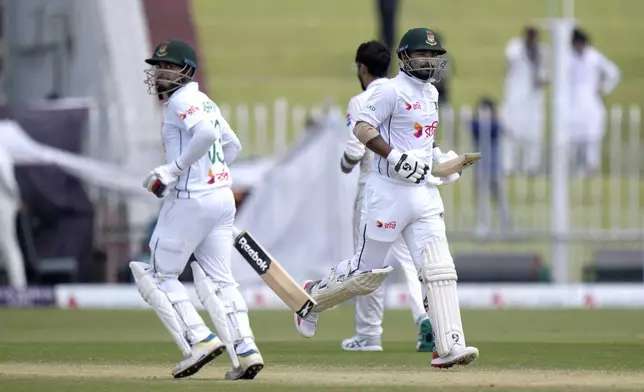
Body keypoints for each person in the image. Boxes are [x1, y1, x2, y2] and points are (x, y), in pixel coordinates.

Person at [295, 28, 479, 368]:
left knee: (438, 268)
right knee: (367, 274)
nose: (430, 62)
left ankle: (450, 345)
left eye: (434, 57)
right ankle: (311, 299)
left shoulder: (431, 94)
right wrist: (394, 157)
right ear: (405, 58)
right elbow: (363, 129)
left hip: (423, 194)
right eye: (423, 56)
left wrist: (442, 163)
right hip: (387, 193)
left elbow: (422, 144)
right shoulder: (390, 91)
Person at [133, 39, 263, 380]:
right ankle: (246, 349)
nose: (160, 72)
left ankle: (201, 338)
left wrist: (174, 170)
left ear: (186, 71)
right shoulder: (205, 101)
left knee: (160, 276)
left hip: (192, 200)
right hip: (221, 198)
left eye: (168, 66)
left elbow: (205, 134)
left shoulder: (182, 100)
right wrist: (208, 174)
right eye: (158, 66)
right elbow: (231, 145)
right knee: (222, 281)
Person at [340, 40, 434, 353]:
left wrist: (345, 162)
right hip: (408, 190)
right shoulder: (403, 93)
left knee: (369, 265)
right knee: (411, 263)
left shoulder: (362, 100)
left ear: (362, 68)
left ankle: (369, 336)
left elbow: (354, 151)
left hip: (374, 189)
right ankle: (425, 317)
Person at [569, 27, 620, 176]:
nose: (578, 47)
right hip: (573, 102)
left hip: (591, 102)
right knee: (573, 137)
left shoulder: (594, 57)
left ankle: (591, 167)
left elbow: (614, 73)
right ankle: (575, 169)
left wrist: (604, 88)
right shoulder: (568, 57)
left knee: (592, 136)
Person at [500, 25, 549, 176]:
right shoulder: (515, 46)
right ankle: (507, 166)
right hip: (515, 97)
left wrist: (542, 79)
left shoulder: (543, 51)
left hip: (534, 99)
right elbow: (510, 62)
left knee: (534, 134)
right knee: (509, 132)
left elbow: (548, 75)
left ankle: (531, 167)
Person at [470, 97, 510, 232]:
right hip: (480, 166)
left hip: (494, 168)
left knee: (499, 195)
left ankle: (505, 224)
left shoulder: (495, 124)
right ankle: (483, 224)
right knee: (481, 196)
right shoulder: (476, 125)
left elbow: (497, 129)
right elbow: (474, 128)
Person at [0, 143, 27, 289]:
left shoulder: (1, 152)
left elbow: (8, 180)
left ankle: (19, 287)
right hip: (5, 201)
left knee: (8, 244)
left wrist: (16, 199)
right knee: (7, 245)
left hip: (3, 201)